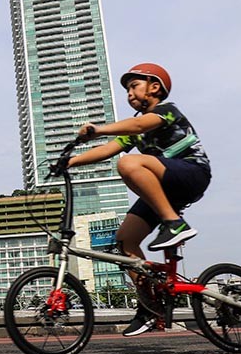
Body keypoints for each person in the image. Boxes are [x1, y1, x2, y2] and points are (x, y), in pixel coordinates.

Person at [66, 63, 211, 337]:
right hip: (163, 188)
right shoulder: (133, 131)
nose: (129, 93)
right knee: (125, 241)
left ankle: (174, 223)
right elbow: (109, 149)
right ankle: (150, 305)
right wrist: (69, 162)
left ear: (154, 87)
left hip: (191, 173)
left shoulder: (167, 111)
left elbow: (138, 123)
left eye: (134, 86)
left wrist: (98, 129)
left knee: (129, 164)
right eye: (128, 89)